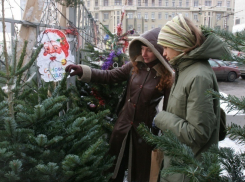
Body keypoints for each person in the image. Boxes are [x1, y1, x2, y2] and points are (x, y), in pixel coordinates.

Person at [65, 28, 173, 182]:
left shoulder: (166, 76)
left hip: (145, 132)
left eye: (149, 50)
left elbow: (168, 109)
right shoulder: (134, 66)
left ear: (159, 50)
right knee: (114, 167)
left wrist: (163, 137)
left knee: (141, 172)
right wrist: (83, 71)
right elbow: (111, 75)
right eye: (142, 49)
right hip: (123, 125)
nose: (144, 54)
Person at [154, 14, 231, 182]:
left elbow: (198, 133)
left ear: (179, 44)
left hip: (189, 172)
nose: (164, 53)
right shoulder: (185, 69)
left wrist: (161, 117)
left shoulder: (198, 76)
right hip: (180, 166)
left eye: (166, 47)